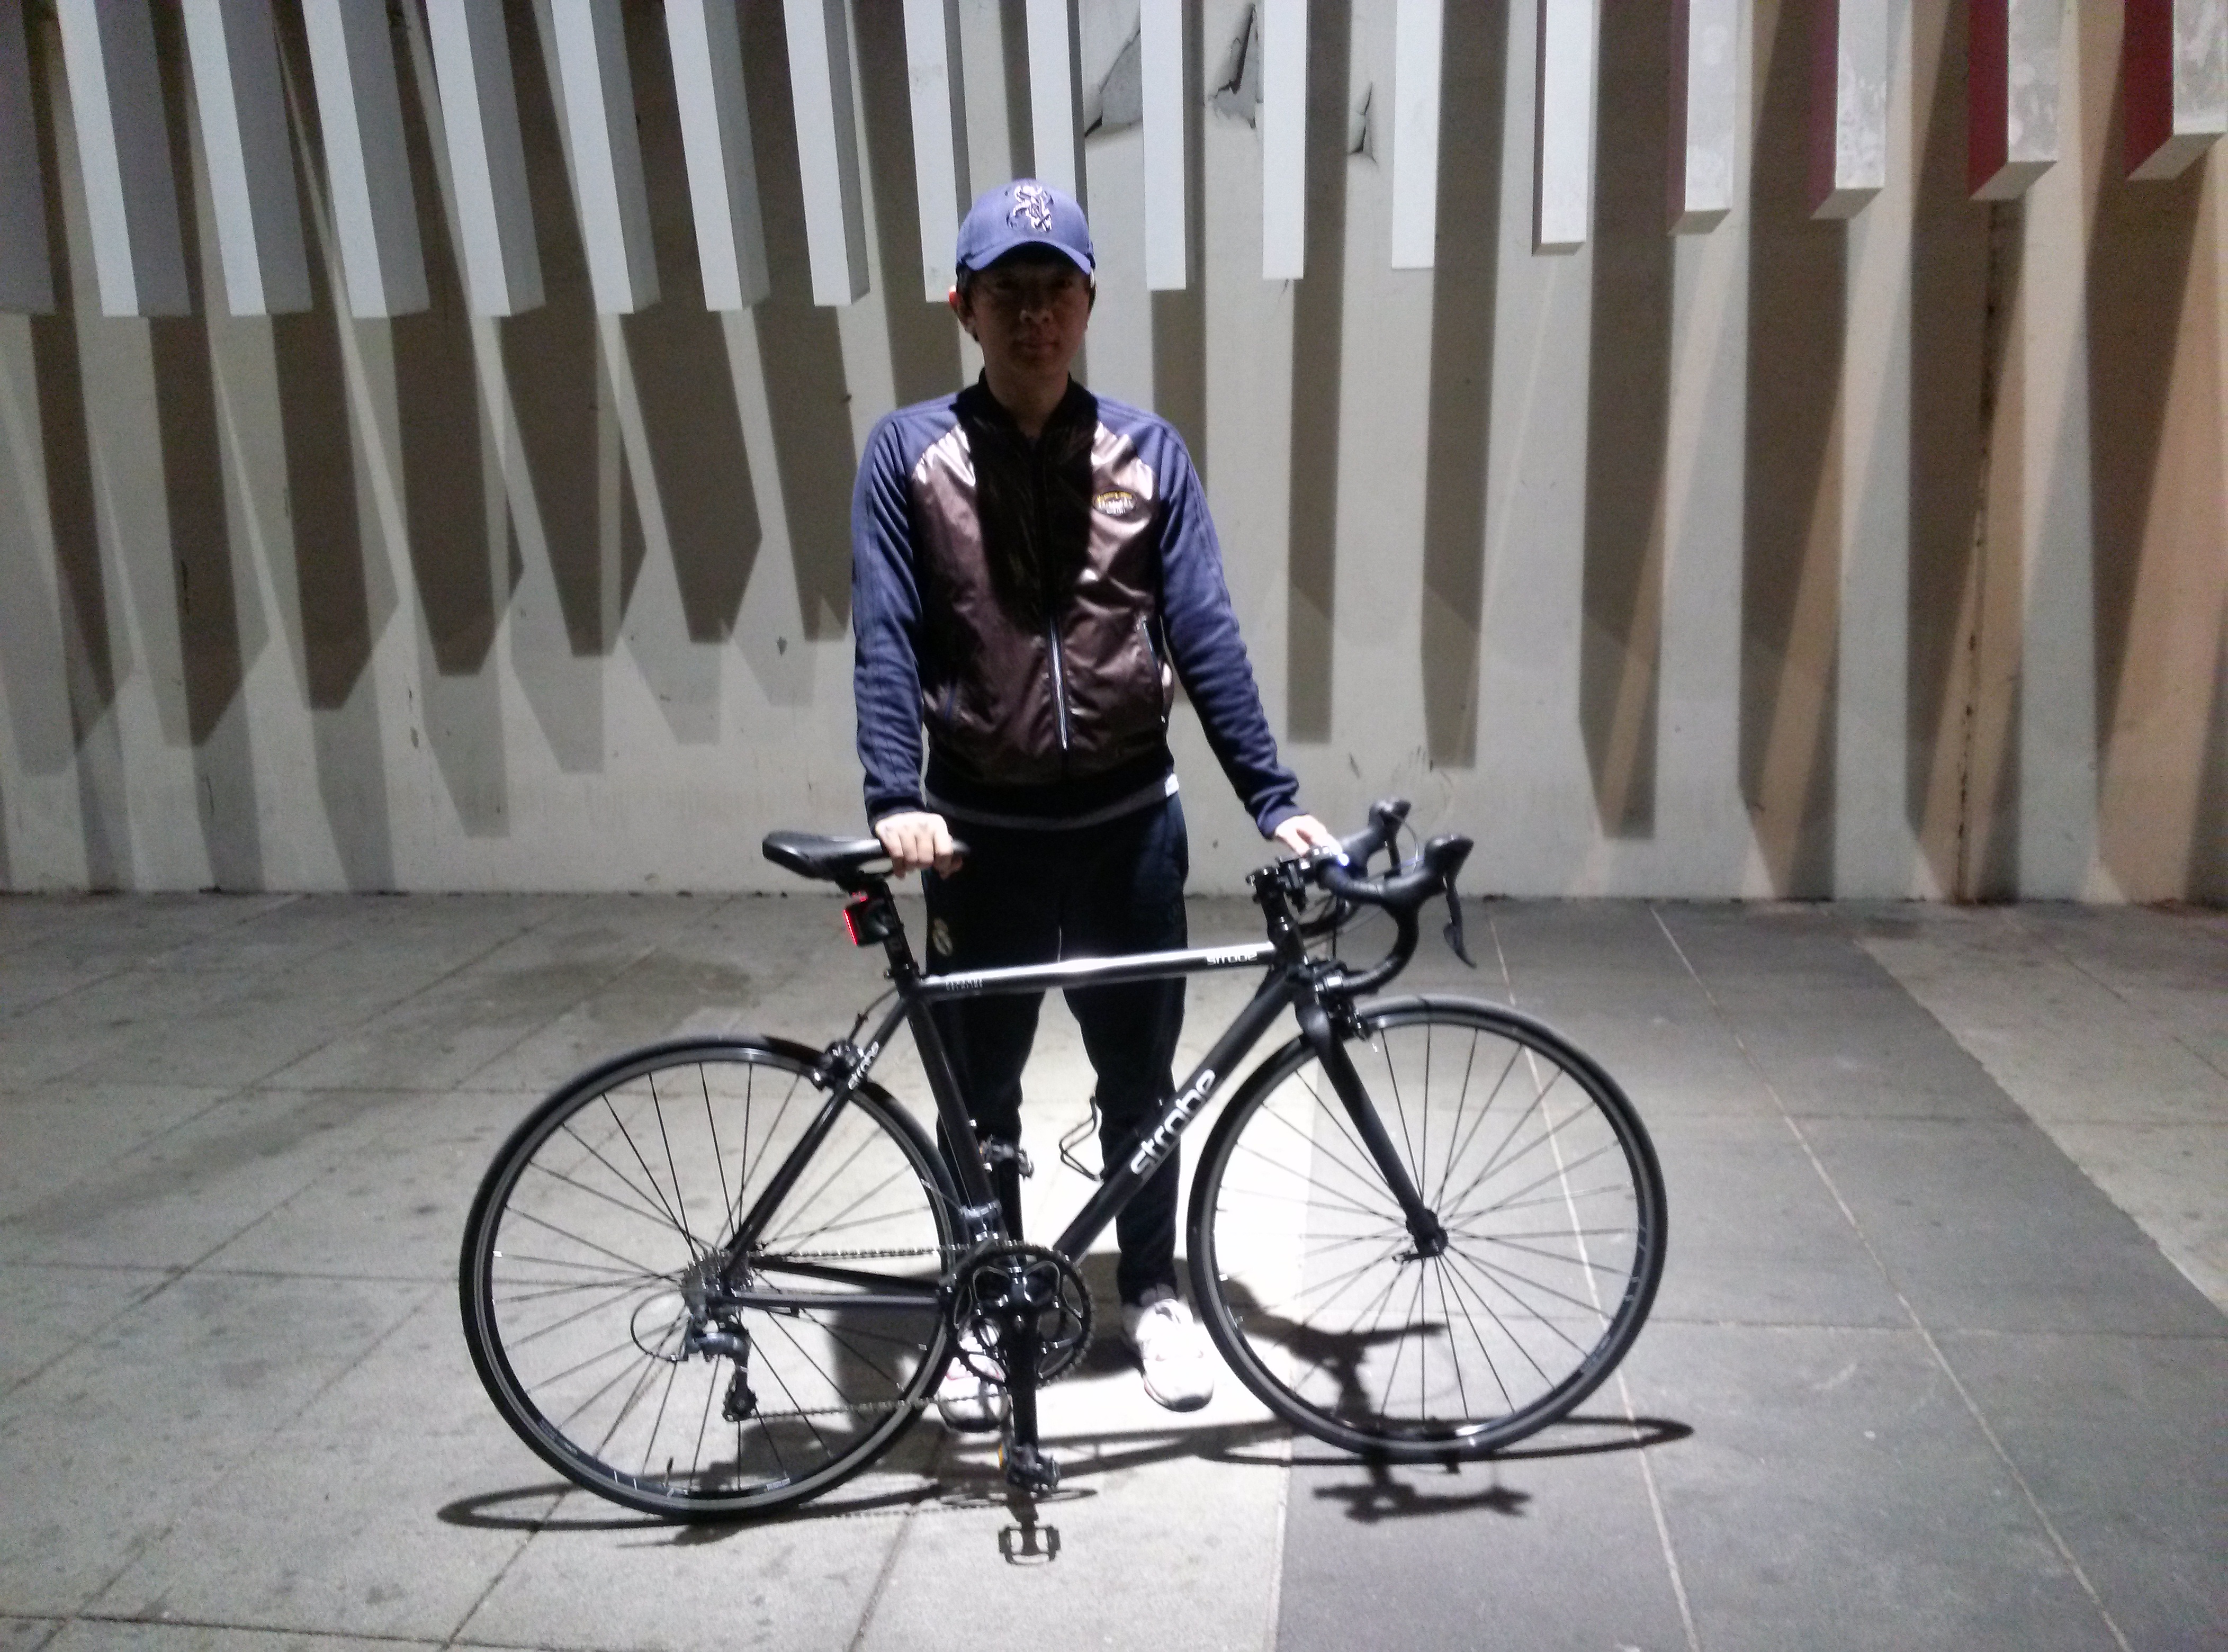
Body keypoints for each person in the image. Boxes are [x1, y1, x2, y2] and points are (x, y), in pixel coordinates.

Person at [850, 179, 1337, 1423]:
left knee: (1144, 1084)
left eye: (1056, 289)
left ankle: (1156, 1291)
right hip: (980, 841)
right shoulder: (909, 455)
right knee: (983, 1093)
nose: (1035, 314)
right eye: (1007, 292)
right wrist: (895, 794)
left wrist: (1273, 798)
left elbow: (1204, 633)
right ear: (963, 307)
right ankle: (995, 1301)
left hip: (1129, 832)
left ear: (1088, 302)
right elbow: (888, 635)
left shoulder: (1146, 451)